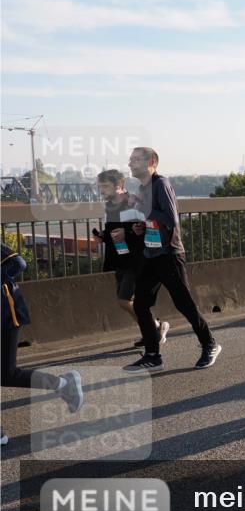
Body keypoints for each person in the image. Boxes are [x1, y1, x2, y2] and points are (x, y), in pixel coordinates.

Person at [123, 148, 222, 372]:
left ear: (152, 162)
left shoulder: (161, 184)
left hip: (169, 254)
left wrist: (141, 208)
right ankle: (153, 356)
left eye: (136, 160)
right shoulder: (143, 188)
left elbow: (170, 219)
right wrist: (141, 226)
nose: (131, 163)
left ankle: (210, 344)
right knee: (140, 304)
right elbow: (153, 219)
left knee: (184, 304)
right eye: (130, 160)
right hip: (151, 253)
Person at [2, 243, 84, 445]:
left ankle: (64, 384)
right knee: (6, 374)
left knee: (7, 373)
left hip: (5, 313)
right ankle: (63, 385)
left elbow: (17, 263)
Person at [94, 169, 169, 348]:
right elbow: (115, 229)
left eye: (105, 186)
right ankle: (152, 329)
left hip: (136, 259)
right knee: (128, 301)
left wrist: (126, 233)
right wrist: (103, 236)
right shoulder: (109, 205)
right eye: (100, 187)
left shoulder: (134, 202)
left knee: (124, 300)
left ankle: (155, 328)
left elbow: (146, 228)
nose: (102, 190)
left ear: (119, 185)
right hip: (119, 257)